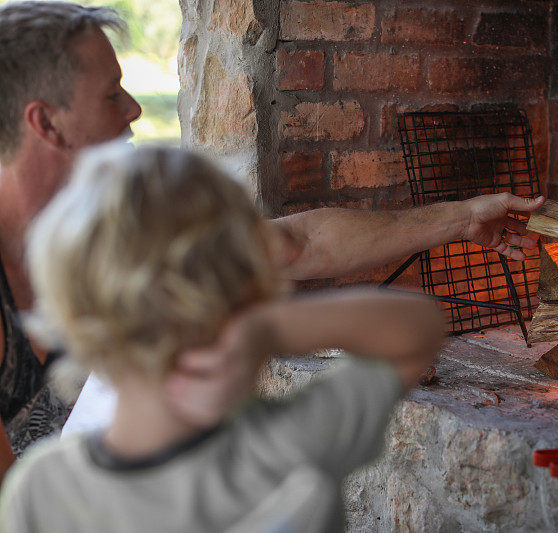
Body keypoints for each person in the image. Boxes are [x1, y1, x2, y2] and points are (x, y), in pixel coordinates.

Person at [0, 1, 543, 472]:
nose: (134, 109)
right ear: (45, 123)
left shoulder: (121, 230)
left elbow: (301, 244)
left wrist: (463, 218)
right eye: (111, 94)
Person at [0, 144, 444, 532]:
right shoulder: (290, 445)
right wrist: (266, 325)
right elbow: (418, 328)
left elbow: (419, 326)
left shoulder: (44, 491)